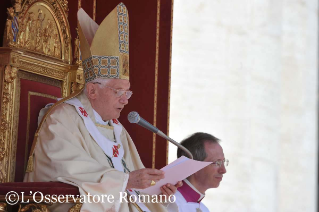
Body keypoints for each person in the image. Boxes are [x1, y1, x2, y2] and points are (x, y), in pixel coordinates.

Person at [24, 3, 181, 212]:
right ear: (92, 91)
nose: (125, 100)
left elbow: (134, 184)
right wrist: (125, 182)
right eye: (118, 91)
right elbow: (65, 172)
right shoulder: (61, 119)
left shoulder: (117, 129)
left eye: (128, 92)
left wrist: (157, 190)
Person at [167, 132, 228, 212]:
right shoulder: (168, 203)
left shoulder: (204, 209)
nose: (223, 170)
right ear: (193, 165)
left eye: (223, 162)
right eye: (217, 162)